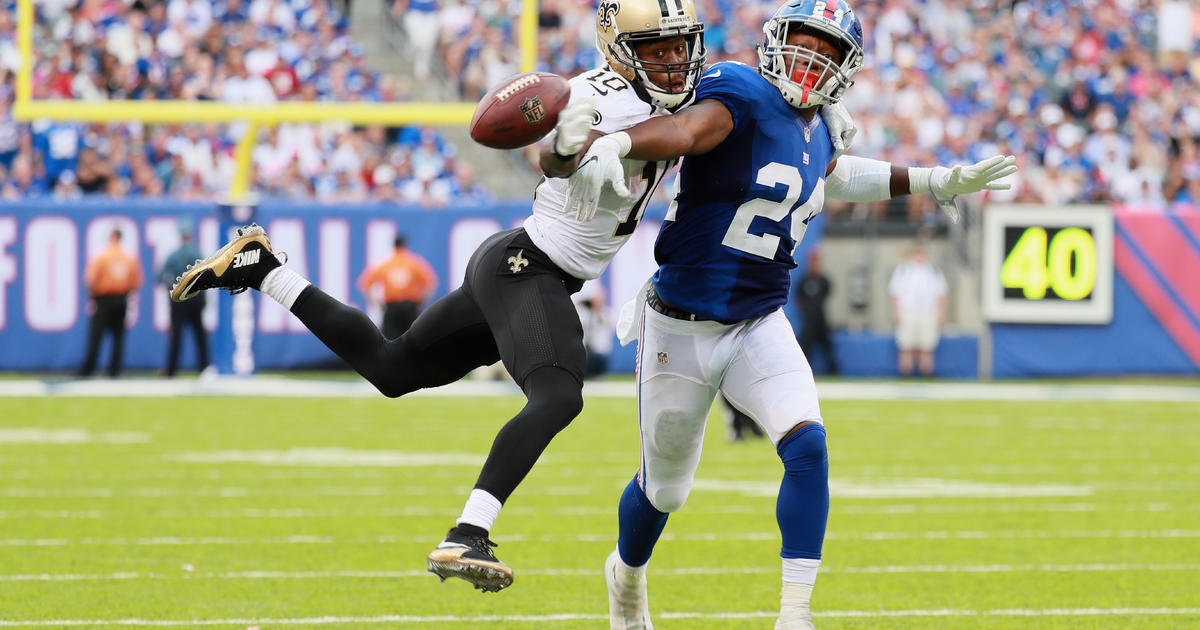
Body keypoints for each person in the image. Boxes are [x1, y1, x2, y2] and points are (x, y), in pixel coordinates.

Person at [168, 0, 714, 594]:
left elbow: (682, 130)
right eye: (656, 49)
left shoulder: (682, 101)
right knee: (558, 394)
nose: (673, 62)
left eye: (679, 46)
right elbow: (551, 156)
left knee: (392, 368)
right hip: (527, 266)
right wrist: (573, 148)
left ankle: (264, 269)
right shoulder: (590, 94)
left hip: (519, 265)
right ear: (618, 50)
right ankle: (468, 532)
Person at [564, 1, 1017, 627]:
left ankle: (794, 614)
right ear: (774, 43)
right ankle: (627, 573)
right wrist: (619, 140)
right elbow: (689, 133)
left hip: (758, 319)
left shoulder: (823, 127)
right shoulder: (740, 91)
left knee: (807, 443)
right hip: (680, 322)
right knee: (664, 488)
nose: (810, 60)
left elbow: (835, 175)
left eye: (826, 51)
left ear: (847, 67)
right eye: (803, 43)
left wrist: (933, 180)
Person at [80, 229, 143, 378]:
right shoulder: (128, 258)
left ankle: (89, 369)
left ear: (110, 237)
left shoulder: (102, 257)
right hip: (121, 298)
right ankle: (114, 370)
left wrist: (93, 296)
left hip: (103, 299)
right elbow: (136, 281)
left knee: (96, 336)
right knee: (118, 337)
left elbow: (90, 280)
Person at [357, 235, 438, 340]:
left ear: (394, 246)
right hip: (410, 308)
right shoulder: (415, 263)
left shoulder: (386, 264)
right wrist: (420, 303)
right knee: (413, 340)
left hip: (391, 308)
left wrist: (376, 303)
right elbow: (430, 285)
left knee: (390, 341)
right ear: (405, 245)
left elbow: (365, 285)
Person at [888, 244, 946, 377]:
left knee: (927, 347)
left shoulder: (934, 272)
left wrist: (940, 314)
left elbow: (941, 295)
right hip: (907, 312)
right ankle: (905, 373)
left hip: (927, 312)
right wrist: (896, 313)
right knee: (906, 345)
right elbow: (895, 294)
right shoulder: (902, 271)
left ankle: (926, 373)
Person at [159, 225, 209, 377]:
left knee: (176, 335)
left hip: (180, 298)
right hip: (196, 297)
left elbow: (161, 276)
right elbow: (207, 275)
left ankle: (172, 369)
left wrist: (171, 288)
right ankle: (204, 367)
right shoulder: (197, 253)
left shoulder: (174, 255)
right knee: (199, 334)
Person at [795, 249, 838, 375]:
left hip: (821, 319)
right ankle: (802, 371)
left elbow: (827, 295)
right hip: (808, 320)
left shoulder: (823, 280)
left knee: (827, 346)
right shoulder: (804, 281)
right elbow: (799, 298)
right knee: (806, 346)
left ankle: (834, 370)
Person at [573, 280, 613, 379]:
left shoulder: (606, 313)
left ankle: (596, 374)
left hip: (599, 353)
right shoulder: (582, 313)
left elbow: (604, 322)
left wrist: (596, 309)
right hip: (584, 354)